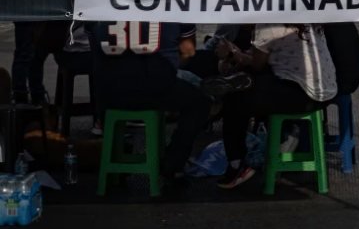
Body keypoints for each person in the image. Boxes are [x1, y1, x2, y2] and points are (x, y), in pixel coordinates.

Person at [87, 21, 212, 184]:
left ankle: (116, 149)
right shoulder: (175, 3)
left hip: (109, 92)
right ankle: (172, 165)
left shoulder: (97, 5)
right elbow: (188, 51)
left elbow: (93, 47)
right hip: (155, 87)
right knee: (200, 102)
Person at [215, 24, 337, 189]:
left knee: (235, 98)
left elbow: (257, 64)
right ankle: (282, 136)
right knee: (256, 85)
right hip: (326, 93)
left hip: (300, 94)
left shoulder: (267, 24)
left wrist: (232, 54)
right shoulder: (306, 18)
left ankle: (236, 164)